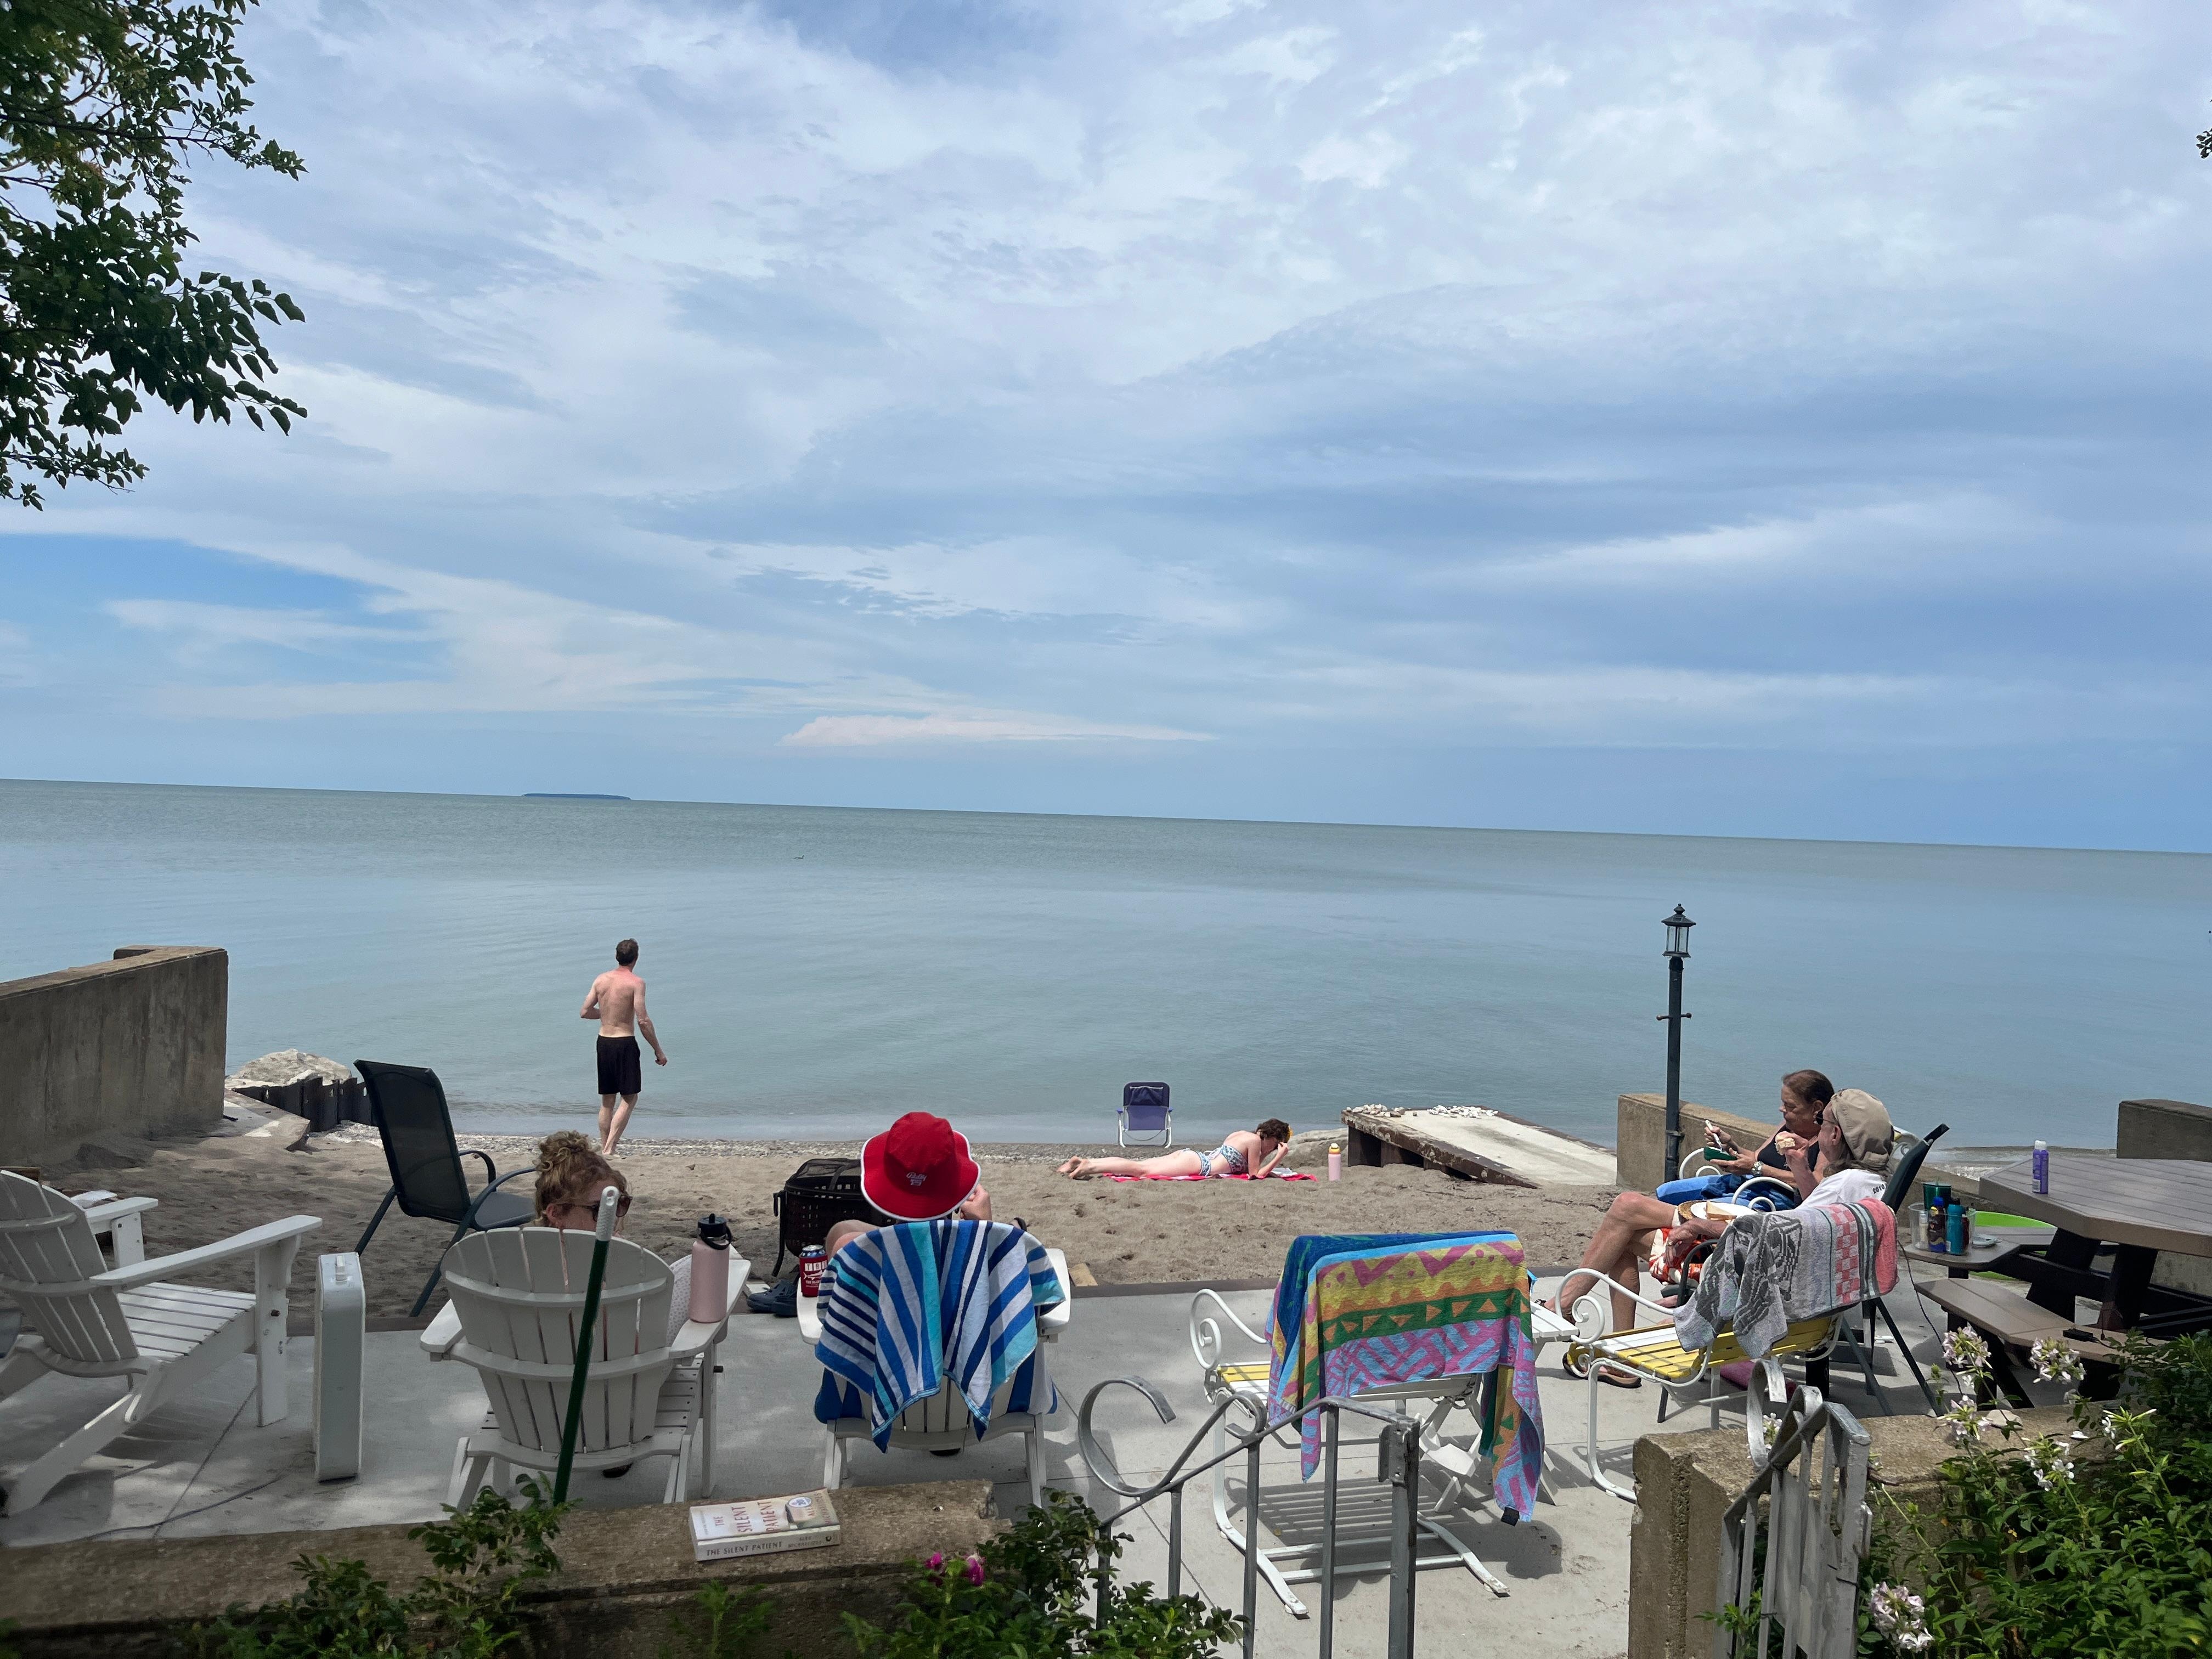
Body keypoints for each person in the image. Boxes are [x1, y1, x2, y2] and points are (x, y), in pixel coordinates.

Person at [1550, 1088, 1897, 1386]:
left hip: (1746, 1285)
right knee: (1625, 1224)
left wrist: (1699, 1227)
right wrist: (1799, 1168)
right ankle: (1596, 1335)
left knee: (1625, 1217)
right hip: (1804, 1299)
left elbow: (1770, 1232)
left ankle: (1567, 1310)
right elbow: (1801, 1225)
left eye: (1824, 1125)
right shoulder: (1870, 1188)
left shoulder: (1842, 1185)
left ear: (1835, 1136)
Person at [749, 1111, 997, 1317]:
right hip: (955, 1340)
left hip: (875, 1350)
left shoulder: (854, 1252)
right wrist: (985, 1226)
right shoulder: (988, 1251)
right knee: (844, 1228)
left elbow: (829, 1321)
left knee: (845, 1239)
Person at [1656, 1069, 1833, 1206]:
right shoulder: (1788, 1125)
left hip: (1771, 1201)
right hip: (1746, 1184)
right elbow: (1756, 1157)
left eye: (1790, 1106)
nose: (1782, 1109)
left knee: (1694, 1211)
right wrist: (1730, 1146)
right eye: (1783, 1103)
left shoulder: (1828, 1140)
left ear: (1816, 1107)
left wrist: (1757, 1169)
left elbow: (1816, 1185)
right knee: (1665, 1192)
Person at [581, 937, 666, 1157]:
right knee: (629, 1098)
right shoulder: (636, 983)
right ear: (635, 959)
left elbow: (585, 1011)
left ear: (617, 957)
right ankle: (610, 1148)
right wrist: (658, 1050)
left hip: (604, 1042)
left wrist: (606, 1013)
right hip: (624, 1043)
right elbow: (643, 1020)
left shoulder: (601, 980)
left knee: (607, 1101)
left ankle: (605, 1148)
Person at [1055, 1118, 1292, 1181]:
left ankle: (1083, 1161)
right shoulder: (1254, 1142)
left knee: (1140, 1166)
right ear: (1272, 1137)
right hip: (1199, 1165)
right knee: (1141, 1171)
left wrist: (1269, 1153)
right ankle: (1089, 1166)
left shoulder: (1242, 1135)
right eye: (1275, 1144)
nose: (1273, 1149)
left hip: (1191, 1157)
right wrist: (1279, 1157)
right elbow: (1254, 1175)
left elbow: (1252, 1165)